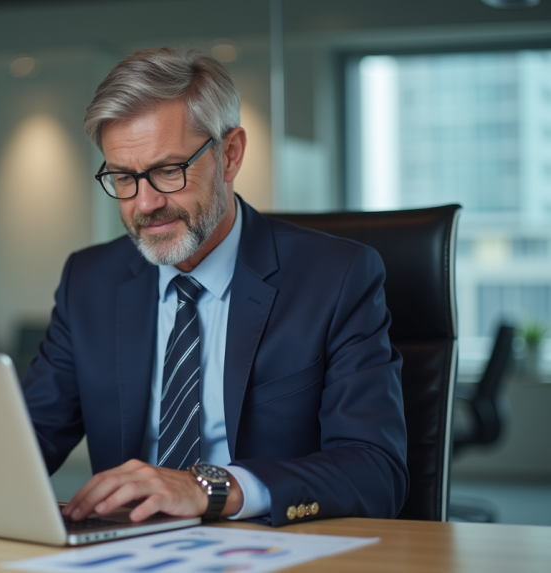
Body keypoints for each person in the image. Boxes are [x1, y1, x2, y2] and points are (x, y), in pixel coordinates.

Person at [22, 48, 409, 527]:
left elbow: (376, 472)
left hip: (275, 550)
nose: (145, 203)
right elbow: (23, 442)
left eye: (168, 170)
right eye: (124, 177)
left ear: (230, 154)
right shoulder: (90, 282)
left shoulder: (336, 277)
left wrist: (210, 488)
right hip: (128, 553)